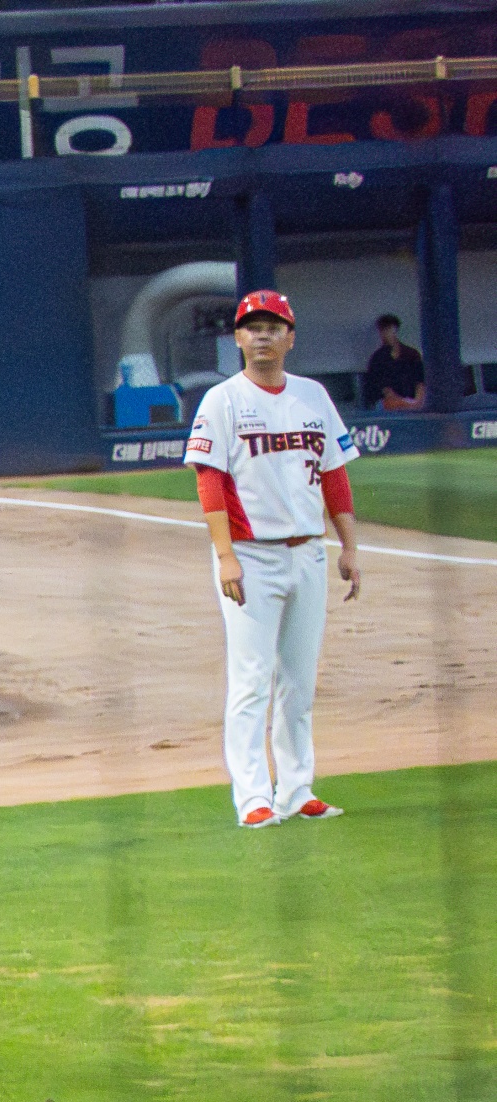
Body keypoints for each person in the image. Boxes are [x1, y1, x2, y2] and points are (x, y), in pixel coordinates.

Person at [185, 289, 361, 829]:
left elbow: (334, 474)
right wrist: (225, 556)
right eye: (253, 327)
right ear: (238, 338)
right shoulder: (222, 400)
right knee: (251, 681)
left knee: (299, 682)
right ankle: (253, 798)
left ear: (290, 338)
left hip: (307, 553)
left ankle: (296, 790)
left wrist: (349, 546)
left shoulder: (313, 396)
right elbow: (210, 481)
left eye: (273, 326)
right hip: (250, 556)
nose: (263, 335)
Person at [362, 313, 427, 411]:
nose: (385, 334)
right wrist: (401, 402)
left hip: (412, 400)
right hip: (389, 403)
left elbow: (420, 382)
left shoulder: (412, 354)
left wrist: (416, 402)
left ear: (395, 329)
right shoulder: (377, 358)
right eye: (383, 330)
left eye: (389, 329)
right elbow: (382, 388)